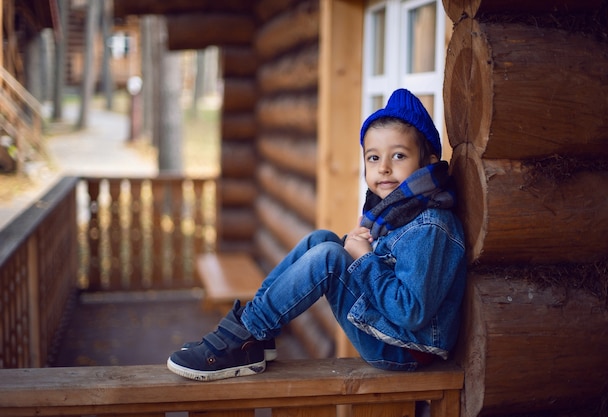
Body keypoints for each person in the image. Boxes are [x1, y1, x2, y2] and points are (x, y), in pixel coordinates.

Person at [167, 88, 466, 382]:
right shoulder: (401, 210)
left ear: (428, 162)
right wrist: (362, 252)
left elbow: (411, 312)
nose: (384, 169)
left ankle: (246, 337)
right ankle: (253, 334)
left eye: (398, 156)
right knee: (320, 239)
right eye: (373, 158)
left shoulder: (431, 225)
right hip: (395, 335)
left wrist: (362, 257)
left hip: (406, 349)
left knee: (329, 258)